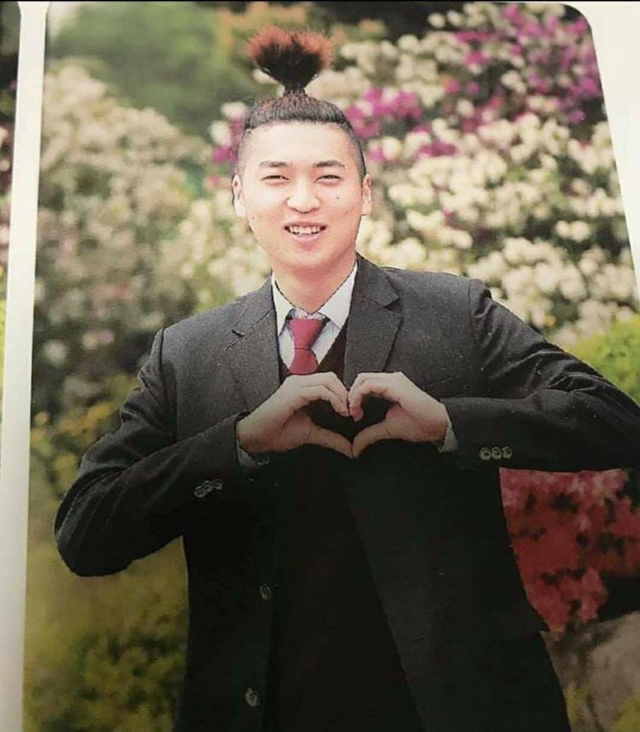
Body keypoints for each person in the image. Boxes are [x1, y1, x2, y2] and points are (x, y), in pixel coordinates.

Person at [55, 27, 640, 732]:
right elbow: (85, 533)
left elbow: (616, 419)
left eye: (329, 177)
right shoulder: (187, 354)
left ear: (365, 195)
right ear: (239, 196)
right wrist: (237, 443)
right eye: (276, 178)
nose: (303, 200)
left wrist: (449, 422)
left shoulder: (455, 313)